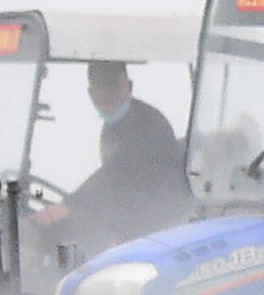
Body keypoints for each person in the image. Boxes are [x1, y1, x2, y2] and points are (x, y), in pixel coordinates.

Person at [44, 60, 187, 262]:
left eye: (112, 86)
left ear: (128, 87)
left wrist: (66, 207)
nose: (106, 94)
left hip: (158, 231)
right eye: (100, 88)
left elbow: (118, 179)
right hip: (127, 220)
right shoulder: (115, 124)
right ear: (91, 93)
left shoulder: (147, 124)